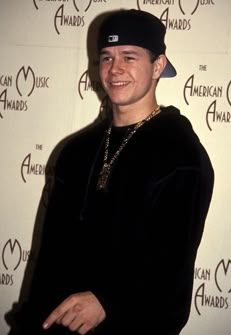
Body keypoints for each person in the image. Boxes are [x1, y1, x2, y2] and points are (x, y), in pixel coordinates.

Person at [9, 8, 214, 335]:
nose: (115, 69)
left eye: (129, 57)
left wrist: (108, 301)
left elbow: (171, 270)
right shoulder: (75, 151)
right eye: (106, 57)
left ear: (158, 65)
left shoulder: (180, 154)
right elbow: (50, 256)